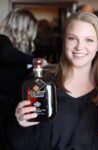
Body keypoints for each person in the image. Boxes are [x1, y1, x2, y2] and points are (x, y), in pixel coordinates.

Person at [5, 12, 98, 150]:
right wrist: (20, 124)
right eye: (72, 38)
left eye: (89, 40)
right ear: (64, 41)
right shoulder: (40, 86)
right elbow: (20, 144)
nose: (79, 47)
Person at [0, 8, 38, 149]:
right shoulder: (2, 41)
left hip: (10, 113)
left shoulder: (22, 51)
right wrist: (35, 61)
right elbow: (5, 53)